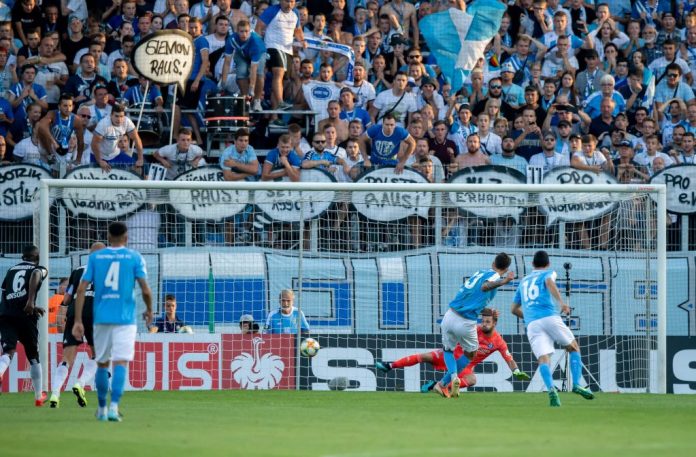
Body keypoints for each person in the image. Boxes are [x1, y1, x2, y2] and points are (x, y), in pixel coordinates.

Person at [72, 222, 153, 422]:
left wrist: (78, 320)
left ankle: (101, 408)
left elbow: (81, 289)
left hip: (101, 318)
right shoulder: (135, 257)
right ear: (126, 238)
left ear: (108, 238)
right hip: (125, 319)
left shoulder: (96, 258)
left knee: (102, 363)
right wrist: (149, 310)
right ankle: (114, 408)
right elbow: (145, 289)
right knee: (120, 363)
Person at [511, 250, 595, 407]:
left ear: (532, 264)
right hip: (549, 316)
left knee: (543, 359)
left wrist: (529, 318)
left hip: (532, 324)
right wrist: (562, 303)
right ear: (548, 264)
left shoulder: (523, 282)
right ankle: (576, 384)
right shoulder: (548, 273)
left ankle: (551, 390)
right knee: (573, 347)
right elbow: (549, 282)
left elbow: (513, 309)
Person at [376, 308, 530, 391]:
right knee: (423, 356)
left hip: (464, 365)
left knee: (472, 380)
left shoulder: (498, 342)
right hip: (450, 355)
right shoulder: (474, 329)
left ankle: (437, 385)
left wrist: (516, 371)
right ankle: (389, 366)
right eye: (483, 321)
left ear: (494, 323)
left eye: (487, 322)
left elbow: (508, 358)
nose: (484, 324)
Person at [434, 253, 514, 398]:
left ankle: (452, 378)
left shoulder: (480, 272)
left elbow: (473, 296)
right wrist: (504, 281)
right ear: (506, 269)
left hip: (450, 315)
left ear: (493, 263)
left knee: (448, 350)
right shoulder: (495, 276)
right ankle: (444, 382)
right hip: (466, 322)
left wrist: (487, 311)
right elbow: (485, 287)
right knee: (471, 354)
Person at [49, 242, 106, 409]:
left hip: (75, 311)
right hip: (95, 313)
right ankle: (80, 384)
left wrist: (63, 312)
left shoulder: (78, 271)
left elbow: (67, 298)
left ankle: (55, 395)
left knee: (66, 359)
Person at [0, 244, 48, 405]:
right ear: (37, 257)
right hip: (26, 316)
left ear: (23, 257)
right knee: (33, 357)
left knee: (8, 351)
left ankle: (0, 372)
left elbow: (5, 293)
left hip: (6, 314)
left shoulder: (11, 270)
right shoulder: (39, 268)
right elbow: (35, 274)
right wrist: (30, 302)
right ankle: (38, 397)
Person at [91, 103, 144, 172]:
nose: (119, 119)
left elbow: (136, 139)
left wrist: (140, 159)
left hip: (115, 154)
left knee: (137, 169)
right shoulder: (103, 124)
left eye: (121, 116)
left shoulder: (127, 122)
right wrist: (100, 161)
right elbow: (94, 144)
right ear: (111, 115)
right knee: (99, 175)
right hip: (98, 155)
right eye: (116, 116)